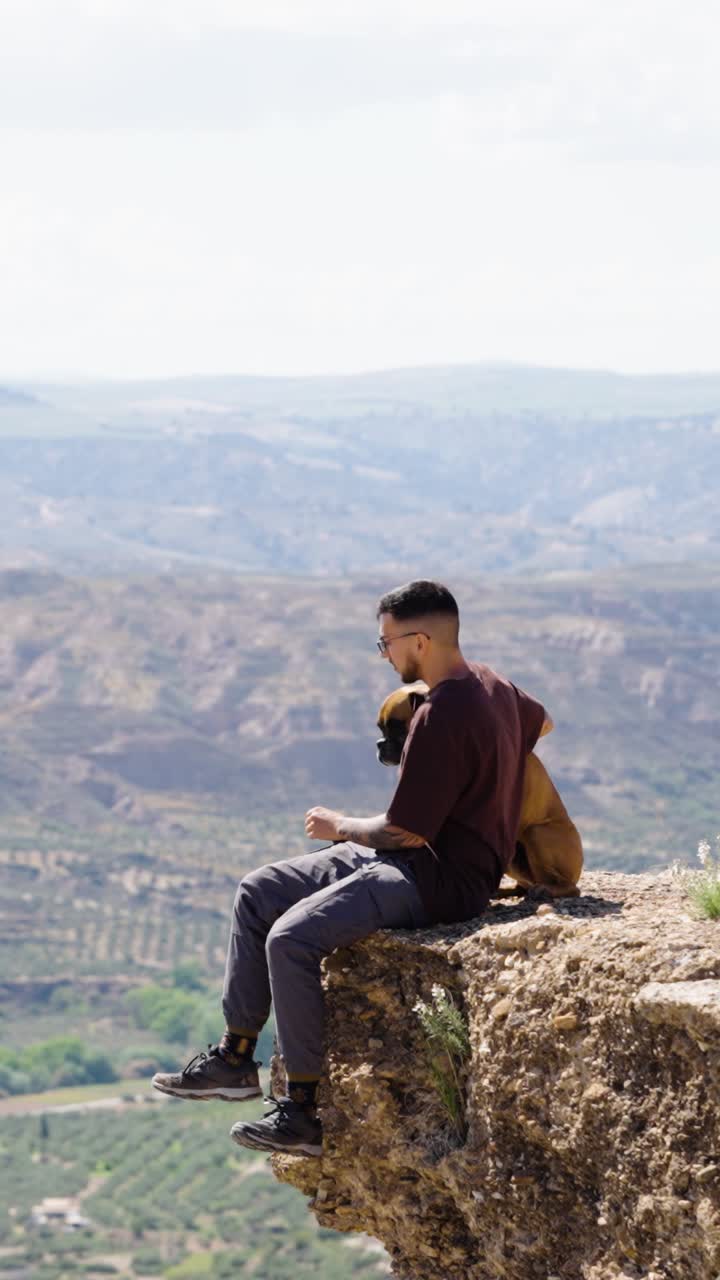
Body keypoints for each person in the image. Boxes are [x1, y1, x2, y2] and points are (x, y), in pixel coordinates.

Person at [152, 580, 552, 1157]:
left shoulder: (439, 714)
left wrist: (340, 826)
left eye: (386, 642)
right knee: (259, 890)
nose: (385, 654)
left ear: (419, 640)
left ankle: (301, 1113)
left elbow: (403, 831)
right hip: (412, 856)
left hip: (439, 878)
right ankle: (236, 1059)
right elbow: (541, 728)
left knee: (290, 938)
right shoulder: (494, 684)